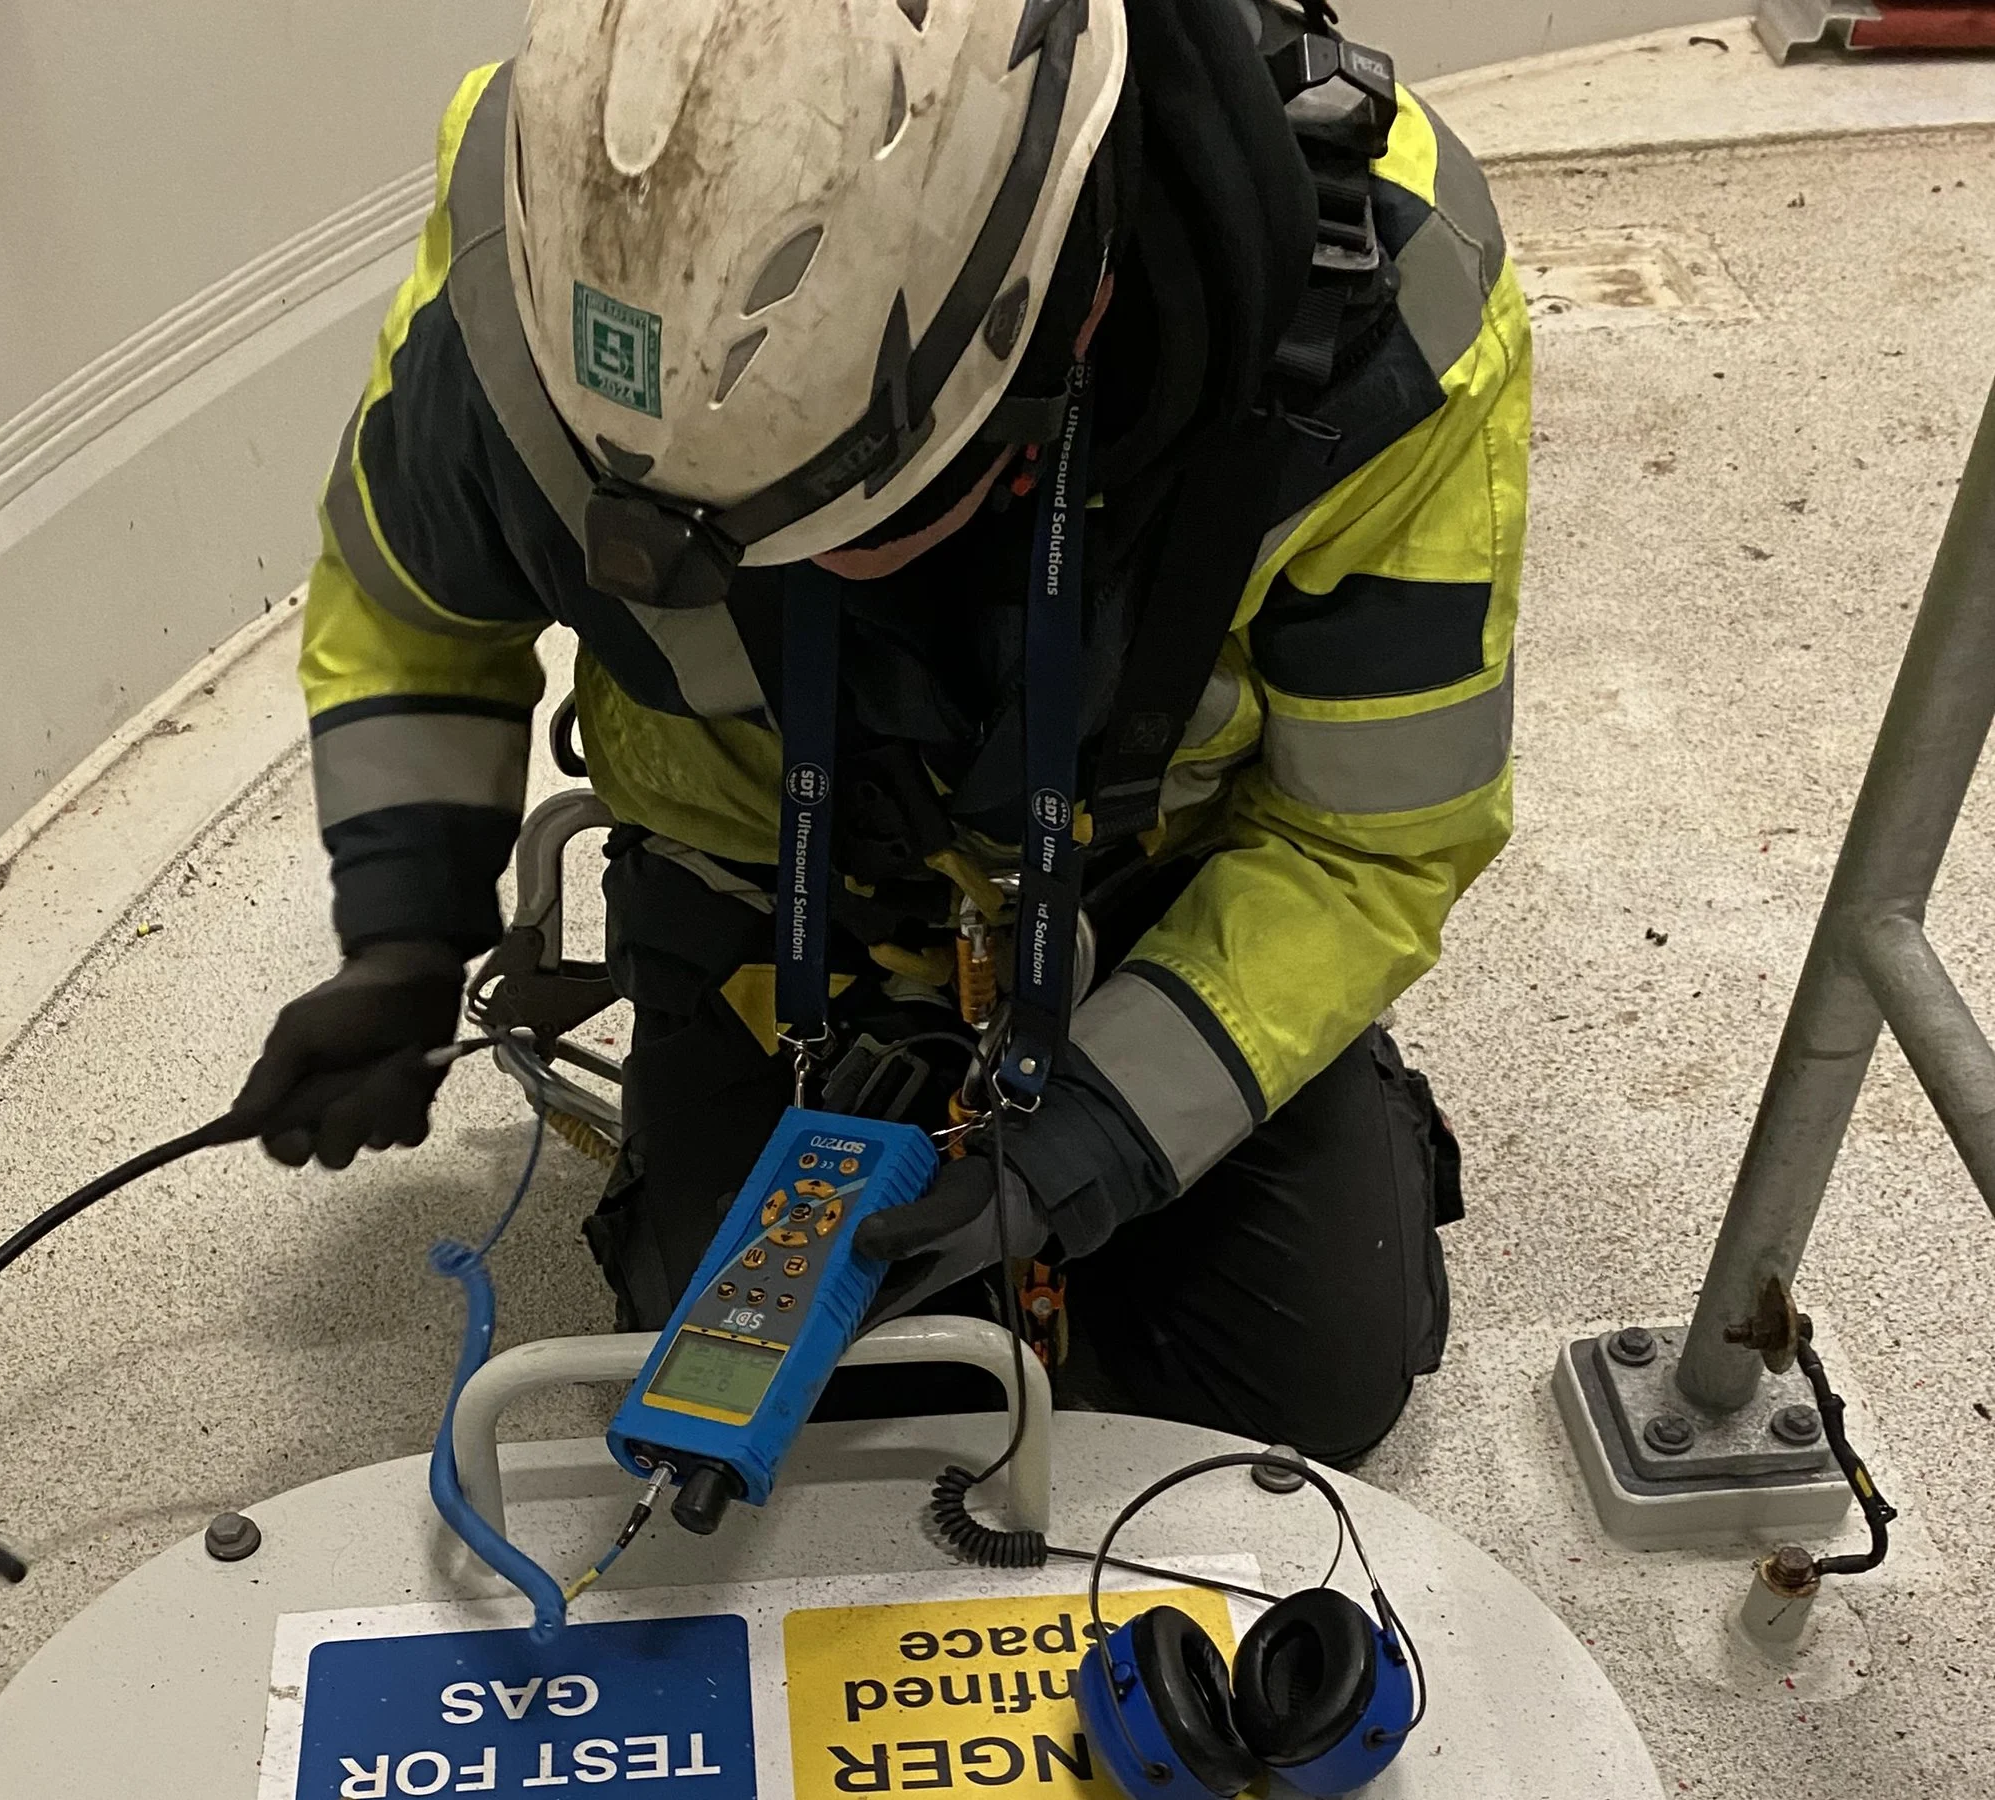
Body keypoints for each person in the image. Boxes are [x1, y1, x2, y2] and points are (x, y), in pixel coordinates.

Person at [234, 0, 1528, 1464]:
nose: (742, 558)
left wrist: (1097, 1132)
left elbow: (1367, 843)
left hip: (1152, 895)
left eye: (833, 505)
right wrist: (403, 937)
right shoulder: (543, 227)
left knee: (1289, 1401)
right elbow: (410, 614)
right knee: (788, 1415)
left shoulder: (1385, 318)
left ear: (1067, 313)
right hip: (760, 898)